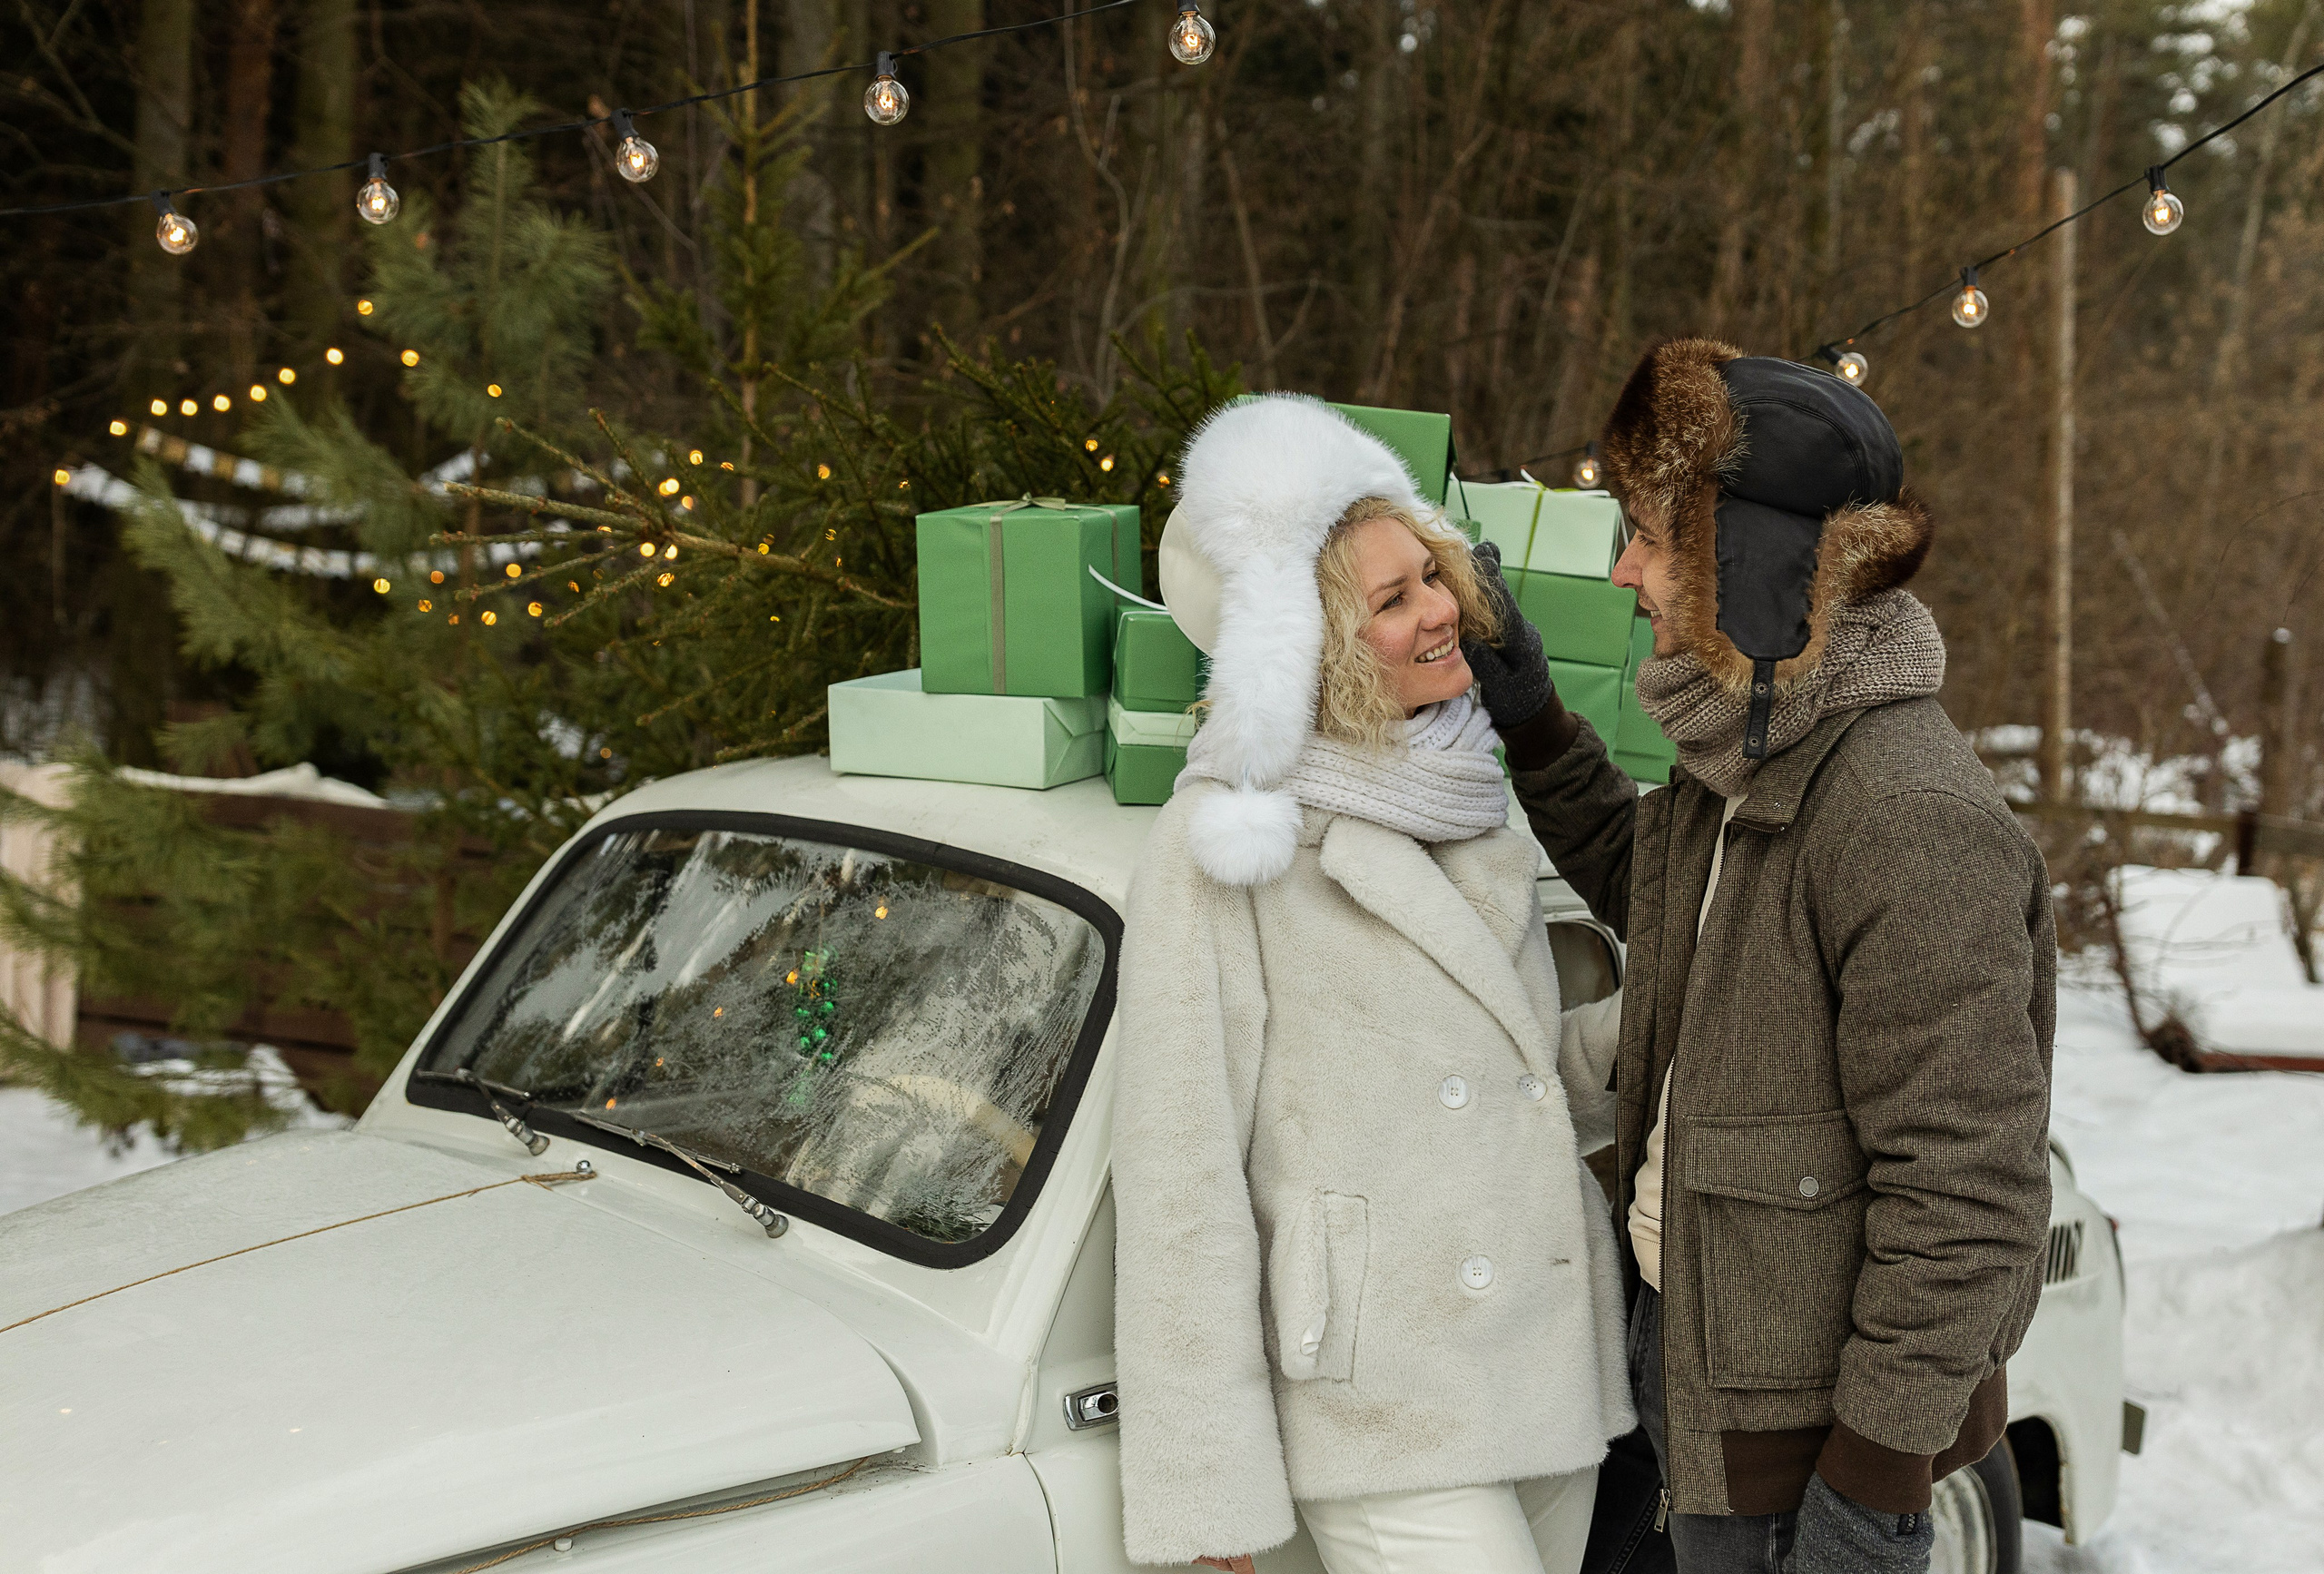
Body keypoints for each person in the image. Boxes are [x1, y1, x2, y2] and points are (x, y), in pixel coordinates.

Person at [1461, 339, 2057, 1574]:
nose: (1623, 568)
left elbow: (1966, 1192)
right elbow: (1652, 889)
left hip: (1805, 1458)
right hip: (1687, 1369)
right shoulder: (1743, 758)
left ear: (1761, 567)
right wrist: (1529, 714)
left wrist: (1869, 1494)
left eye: (1649, 534)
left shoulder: (1904, 817)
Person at [1111, 394, 1635, 1574]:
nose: (1444, 611)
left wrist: (1660, 1030)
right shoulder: (1228, 841)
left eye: (1432, 575)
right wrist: (1210, 1491)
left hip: (1539, 1365)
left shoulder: (1460, 791)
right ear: (1307, 641)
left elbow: (1503, 1078)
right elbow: (1179, 1171)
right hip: (1381, 1397)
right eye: (1392, 601)